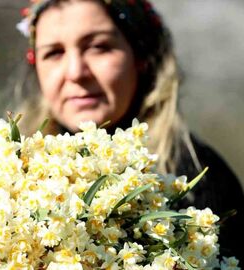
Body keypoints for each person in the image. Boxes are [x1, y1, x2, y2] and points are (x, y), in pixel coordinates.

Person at [15, 0, 244, 263]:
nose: (76, 72)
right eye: (54, 52)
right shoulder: (5, 189)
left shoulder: (198, 181)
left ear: (141, 56)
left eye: (99, 47)